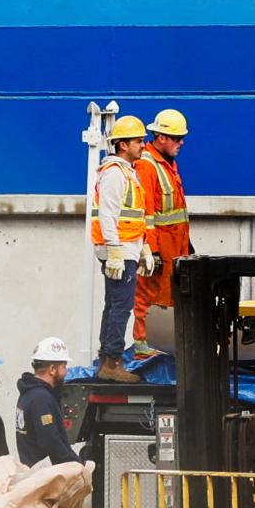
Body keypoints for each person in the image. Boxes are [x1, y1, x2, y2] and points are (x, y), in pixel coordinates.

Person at [131, 109, 191, 360]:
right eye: (176, 138)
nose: (181, 143)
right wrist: (151, 251)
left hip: (175, 247)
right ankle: (143, 347)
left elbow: (174, 213)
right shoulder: (147, 165)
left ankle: (164, 344)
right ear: (161, 137)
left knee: (169, 298)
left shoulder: (166, 164)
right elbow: (146, 214)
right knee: (148, 296)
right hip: (160, 248)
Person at [92, 115, 147, 384]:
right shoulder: (115, 173)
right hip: (119, 252)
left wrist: (143, 248)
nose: (143, 146)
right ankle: (112, 362)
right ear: (123, 145)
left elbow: (133, 216)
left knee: (114, 305)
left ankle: (107, 359)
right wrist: (114, 249)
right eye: (138, 141)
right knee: (120, 307)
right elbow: (108, 214)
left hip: (126, 249)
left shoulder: (125, 172)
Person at [16, 337, 80, 467]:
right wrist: (77, 465)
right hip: (46, 477)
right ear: (52, 369)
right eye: (64, 366)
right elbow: (51, 441)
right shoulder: (41, 399)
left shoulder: (29, 393)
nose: (66, 372)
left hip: (36, 474)